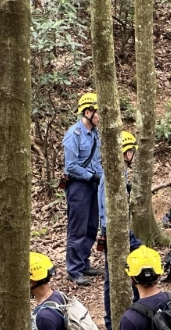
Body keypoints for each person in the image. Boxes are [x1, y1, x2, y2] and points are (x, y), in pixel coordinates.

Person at [97, 130, 143, 330]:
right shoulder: (111, 178)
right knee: (115, 272)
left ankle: (120, 313)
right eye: (132, 151)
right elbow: (106, 208)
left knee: (117, 270)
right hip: (115, 230)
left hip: (120, 228)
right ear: (126, 153)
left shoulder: (119, 173)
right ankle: (114, 319)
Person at [63, 92, 103, 286]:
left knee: (91, 226)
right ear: (87, 112)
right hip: (78, 186)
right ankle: (74, 269)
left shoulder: (95, 133)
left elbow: (96, 161)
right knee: (77, 228)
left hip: (94, 185)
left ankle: (84, 262)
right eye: (97, 113)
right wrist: (90, 176)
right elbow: (70, 166)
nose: (99, 117)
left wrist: (102, 178)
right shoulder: (74, 134)